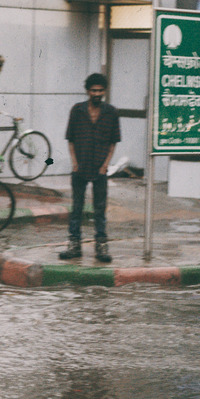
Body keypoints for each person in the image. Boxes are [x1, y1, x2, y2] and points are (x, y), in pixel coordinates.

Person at [59, 73, 120, 263]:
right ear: (87, 91)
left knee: (99, 209)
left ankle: (101, 248)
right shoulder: (77, 110)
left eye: (100, 90)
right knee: (76, 207)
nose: (97, 93)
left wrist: (106, 165)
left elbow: (113, 142)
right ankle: (74, 245)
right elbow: (70, 139)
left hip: (100, 168)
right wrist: (74, 162)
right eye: (94, 90)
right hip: (81, 167)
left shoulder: (111, 112)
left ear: (104, 91)